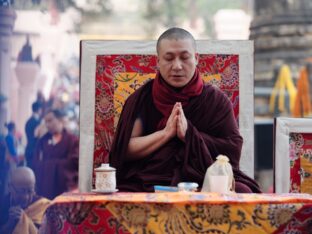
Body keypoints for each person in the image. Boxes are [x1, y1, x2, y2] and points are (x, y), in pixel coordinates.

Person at [109, 27, 261, 193]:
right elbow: (126, 149)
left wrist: (189, 134)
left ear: (196, 58)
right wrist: (165, 134)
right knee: (121, 195)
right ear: (158, 61)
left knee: (242, 191)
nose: (177, 66)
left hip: (204, 178)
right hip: (150, 179)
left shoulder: (215, 100)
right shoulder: (143, 98)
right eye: (168, 58)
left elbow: (232, 149)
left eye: (184, 57)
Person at [32, 109, 79, 199]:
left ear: (60, 120)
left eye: (50, 120)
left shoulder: (72, 140)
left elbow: (73, 163)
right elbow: (36, 163)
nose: (47, 125)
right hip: (45, 189)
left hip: (64, 188)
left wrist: (49, 164)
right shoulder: (42, 141)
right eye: (45, 122)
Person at [0, 167, 50, 233]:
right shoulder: (2, 203)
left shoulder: (43, 205)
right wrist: (10, 224)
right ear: (10, 187)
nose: (26, 197)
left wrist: (26, 221)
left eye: (30, 191)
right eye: (21, 191)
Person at [25, 102, 42, 169]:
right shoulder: (38, 122)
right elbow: (36, 136)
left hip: (29, 149)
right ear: (39, 109)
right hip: (35, 151)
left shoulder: (28, 121)